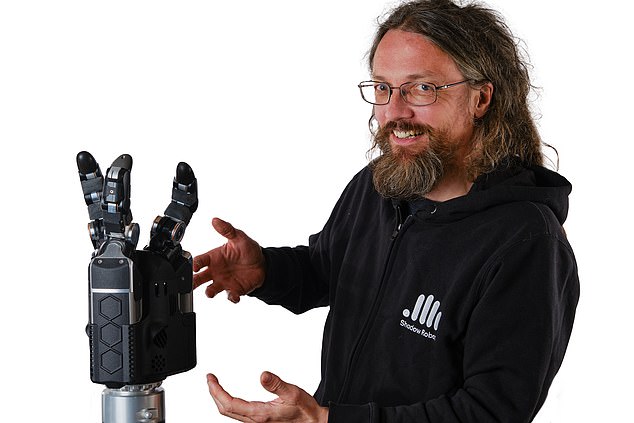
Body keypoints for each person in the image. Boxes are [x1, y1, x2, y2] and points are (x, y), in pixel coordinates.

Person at [192, 0, 580, 421]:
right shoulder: (380, 184)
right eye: (382, 88)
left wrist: (328, 420)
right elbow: (330, 270)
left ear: (480, 98)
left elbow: (490, 412)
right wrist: (267, 270)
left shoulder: (526, 241)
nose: (394, 112)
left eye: (421, 88)